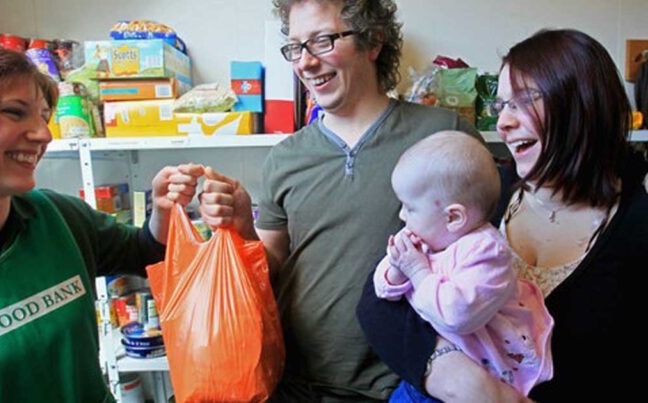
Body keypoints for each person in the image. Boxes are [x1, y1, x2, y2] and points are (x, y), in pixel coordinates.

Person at [0, 34, 203, 402]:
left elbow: (142, 252)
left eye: (44, 116)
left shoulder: (57, 217)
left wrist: (162, 211)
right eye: (14, 112)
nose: (43, 134)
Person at [197, 0, 481, 400]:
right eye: (296, 47)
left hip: (407, 386)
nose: (305, 62)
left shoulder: (444, 136)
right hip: (299, 385)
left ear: (373, 41)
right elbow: (271, 265)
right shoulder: (285, 157)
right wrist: (242, 228)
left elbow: (483, 254)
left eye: (322, 41)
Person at [357, 29, 648, 402]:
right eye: (501, 106)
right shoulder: (479, 190)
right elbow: (377, 302)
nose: (503, 124)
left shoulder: (636, 224)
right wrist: (460, 378)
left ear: (581, 103)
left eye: (523, 102)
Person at [372, 132, 553, 402]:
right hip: (423, 380)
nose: (401, 215)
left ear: (453, 217)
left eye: (409, 208)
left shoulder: (486, 253)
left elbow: (457, 314)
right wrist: (397, 270)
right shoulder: (426, 238)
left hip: (483, 380)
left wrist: (417, 272)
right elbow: (381, 290)